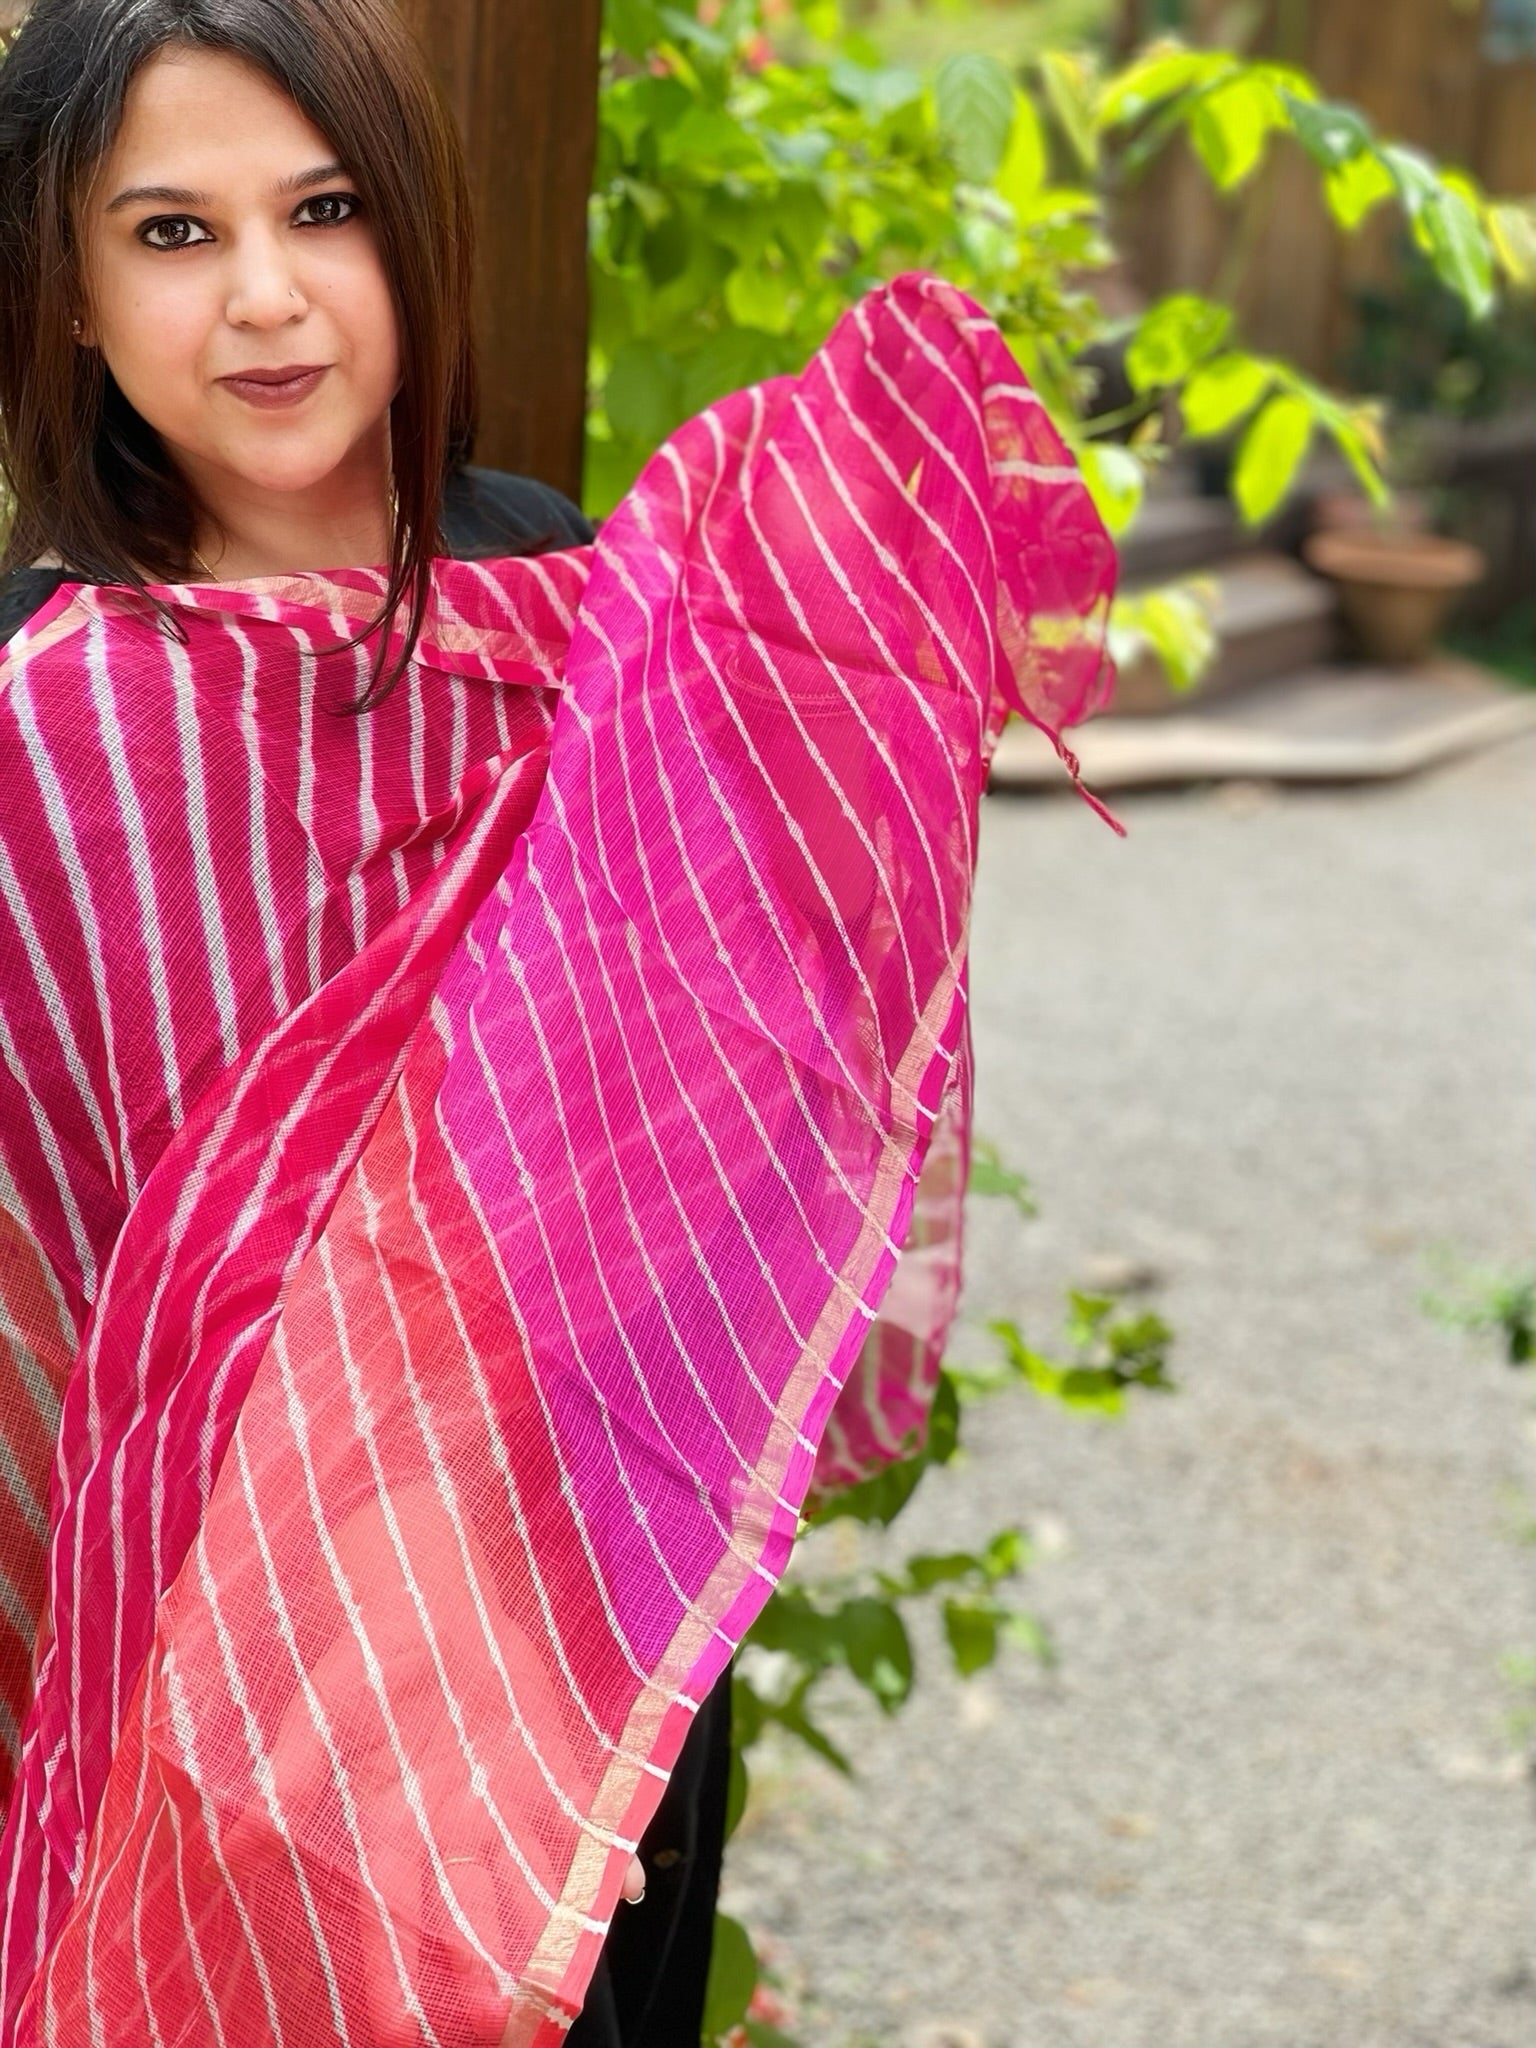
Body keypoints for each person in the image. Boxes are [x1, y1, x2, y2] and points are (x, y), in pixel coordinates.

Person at [0, 1, 1115, 2042]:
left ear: (411, 229)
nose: (265, 298)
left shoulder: (584, 587)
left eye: (323, 210)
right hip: (223, 1663)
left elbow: (744, 1053)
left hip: (566, 1579)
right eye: (170, 233)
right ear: (67, 290)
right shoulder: (44, 714)